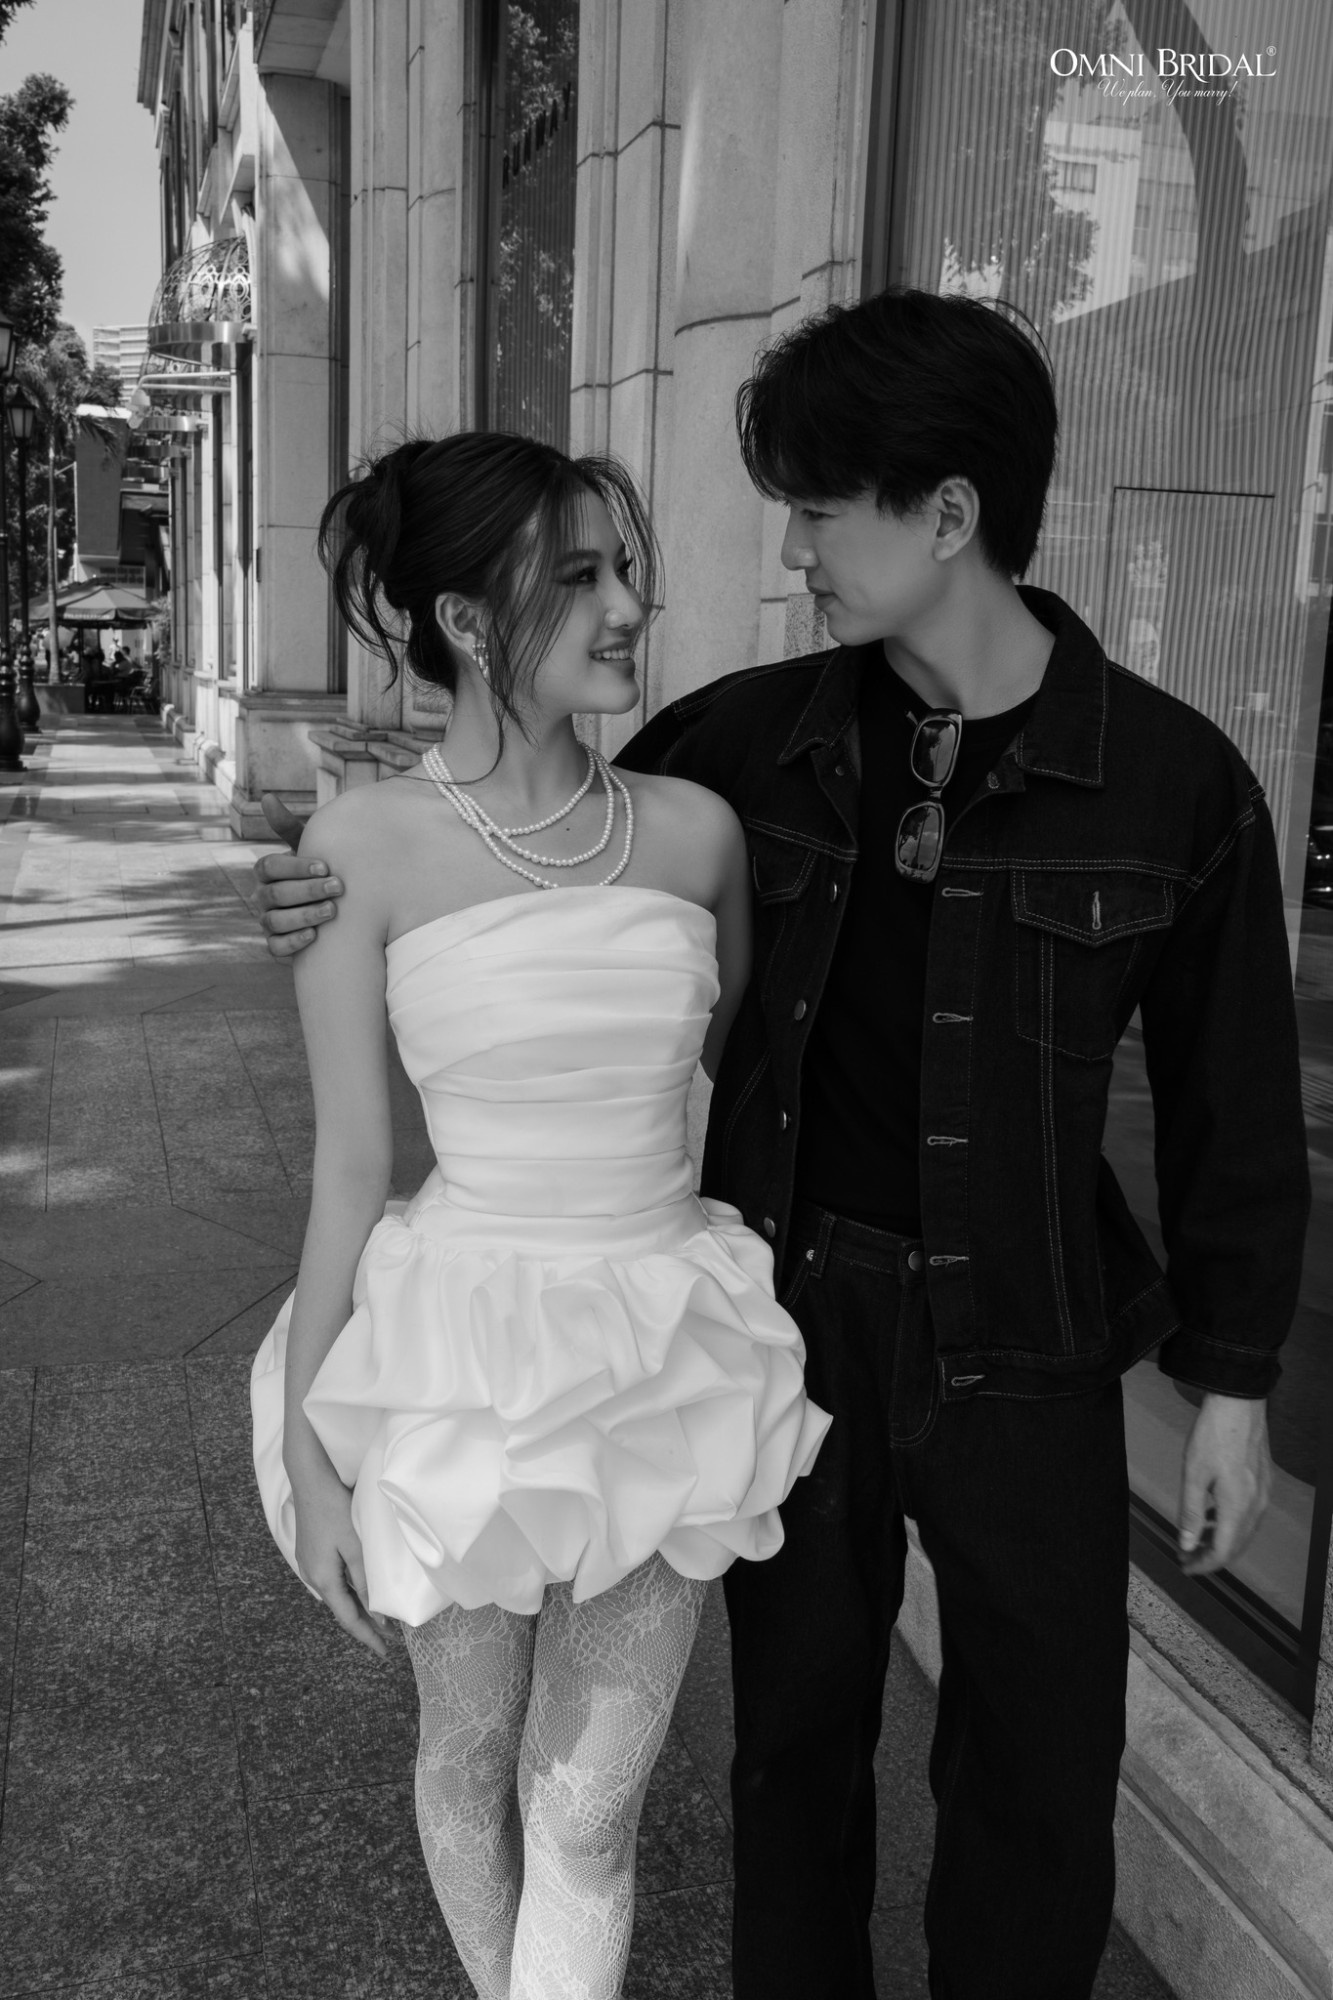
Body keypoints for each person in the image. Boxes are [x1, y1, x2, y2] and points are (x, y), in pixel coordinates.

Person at [254, 291, 1309, 2000]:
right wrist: (317, 901)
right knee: (794, 1745)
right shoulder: (749, 746)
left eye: (817, 510)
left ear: (945, 514)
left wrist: (1233, 1388)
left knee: (1039, 1765)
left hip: (1031, 1340)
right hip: (794, 1305)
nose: (789, 550)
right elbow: (535, 850)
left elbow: (1232, 1104)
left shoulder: (1171, 784)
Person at [248, 431, 829, 2000]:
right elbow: (350, 1168)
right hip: (456, 1348)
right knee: (464, 1750)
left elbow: (710, 1089)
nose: (628, 605)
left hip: (663, 1342)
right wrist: (308, 1453)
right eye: (577, 576)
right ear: (463, 619)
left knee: (584, 1806)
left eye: (624, 567)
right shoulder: (357, 849)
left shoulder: (699, 834)